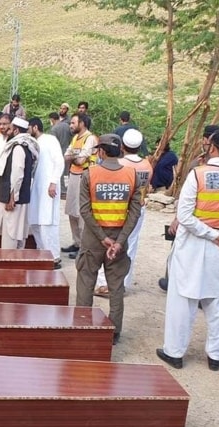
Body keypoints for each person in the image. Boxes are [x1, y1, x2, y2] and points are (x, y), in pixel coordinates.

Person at [156, 128, 219, 371]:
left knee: (183, 299)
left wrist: (212, 234)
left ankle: (174, 352)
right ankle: (216, 356)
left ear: (213, 147)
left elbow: (185, 216)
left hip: (196, 245)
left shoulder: (198, 175)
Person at [75, 134, 142, 345]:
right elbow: (135, 212)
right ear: (121, 149)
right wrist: (120, 241)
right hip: (119, 239)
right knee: (116, 287)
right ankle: (113, 333)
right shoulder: (132, 175)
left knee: (86, 282)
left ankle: (83, 327)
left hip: (93, 239)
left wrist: (102, 238)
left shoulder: (90, 174)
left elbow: (84, 211)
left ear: (101, 151)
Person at [158, 125, 219, 291]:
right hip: (216, 219)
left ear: (208, 142)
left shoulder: (199, 166)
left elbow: (187, 196)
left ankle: (174, 281)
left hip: (194, 218)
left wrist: (178, 218)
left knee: (181, 251)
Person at [94, 129, 152, 296]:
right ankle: (123, 283)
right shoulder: (146, 165)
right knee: (131, 245)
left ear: (123, 146)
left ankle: (105, 284)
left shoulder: (121, 165)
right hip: (138, 209)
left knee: (110, 243)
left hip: (119, 209)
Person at [0, 117, 39, 249]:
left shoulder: (18, 147)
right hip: (20, 197)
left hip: (14, 199)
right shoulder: (26, 145)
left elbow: (17, 174)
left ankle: (9, 265)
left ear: (16, 130)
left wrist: (12, 197)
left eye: (10, 128)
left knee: (11, 235)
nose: (7, 131)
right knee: (18, 234)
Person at [28, 117, 65, 267]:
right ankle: (42, 252)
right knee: (35, 221)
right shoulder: (34, 143)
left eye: (29, 128)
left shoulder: (50, 140)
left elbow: (59, 161)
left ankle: (54, 256)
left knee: (48, 222)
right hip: (36, 188)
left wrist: (53, 182)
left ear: (35, 127)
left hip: (49, 188)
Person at [62, 113, 98, 258]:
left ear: (82, 123)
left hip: (84, 176)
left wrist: (73, 158)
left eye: (73, 123)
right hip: (74, 175)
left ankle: (84, 246)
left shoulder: (90, 139)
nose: (70, 125)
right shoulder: (76, 138)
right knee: (71, 211)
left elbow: (81, 160)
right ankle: (76, 242)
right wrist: (74, 158)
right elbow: (66, 156)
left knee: (82, 212)